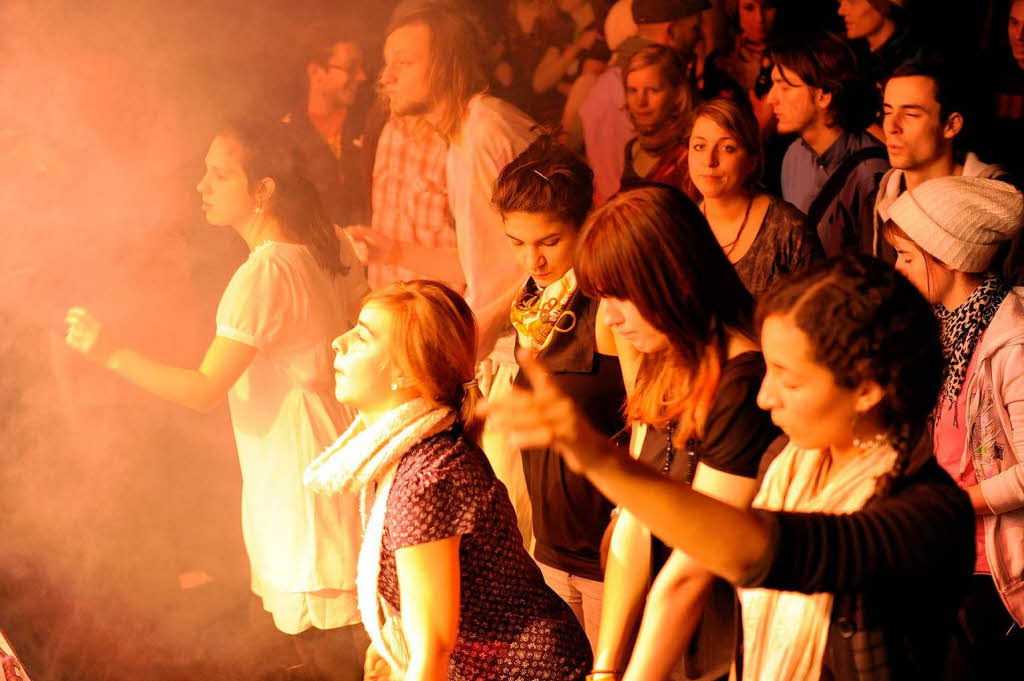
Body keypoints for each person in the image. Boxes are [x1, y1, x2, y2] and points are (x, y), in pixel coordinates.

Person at [484, 254, 977, 680]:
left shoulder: (930, 514)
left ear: (867, 389)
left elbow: (765, 552)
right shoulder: (784, 462)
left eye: (788, 379)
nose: (765, 397)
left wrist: (595, 455)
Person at [64, 121, 371, 680]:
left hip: (305, 488)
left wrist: (111, 354)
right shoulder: (329, 242)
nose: (202, 186)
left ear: (263, 189)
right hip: (339, 466)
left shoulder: (266, 272)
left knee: (333, 660)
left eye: (219, 173)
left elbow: (204, 389)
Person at [529, 184, 780, 681]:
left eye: (620, 296)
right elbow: (635, 520)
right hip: (671, 639)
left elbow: (695, 568)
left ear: (672, 278)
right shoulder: (663, 359)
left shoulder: (743, 381)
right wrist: (605, 665)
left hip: (729, 645)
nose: (610, 319)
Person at [304, 280, 592, 681]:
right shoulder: (410, 450)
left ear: (405, 373)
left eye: (363, 336)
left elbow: (434, 649)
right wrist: (393, 639)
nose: (339, 341)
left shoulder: (427, 478)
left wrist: (410, 653)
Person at [344, 0, 538, 545]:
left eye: (404, 62)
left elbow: (513, 276)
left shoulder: (481, 131)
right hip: (502, 350)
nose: (386, 77)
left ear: (446, 63)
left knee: (510, 530)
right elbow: (480, 262)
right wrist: (396, 249)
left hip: (519, 356)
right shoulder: (462, 135)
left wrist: (446, 363)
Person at [883, 176, 1024, 679]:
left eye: (905, 256)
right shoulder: (941, 323)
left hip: (990, 569)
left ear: (947, 254)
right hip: (941, 550)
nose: (896, 270)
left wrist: (949, 506)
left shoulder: (1012, 342)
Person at [491, 137, 627, 650]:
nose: (534, 260)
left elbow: (649, 417)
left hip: (604, 546)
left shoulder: (611, 306)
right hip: (548, 545)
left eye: (548, 241)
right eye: (517, 242)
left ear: (584, 224)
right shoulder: (533, 304)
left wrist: (626, 517)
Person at [872, 59, 1012, 259]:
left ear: (951, 125)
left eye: (911, 114)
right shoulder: (879, 199)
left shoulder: (999, 206)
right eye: (887, 112)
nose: (891, 126)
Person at [767, 32, 889, 257]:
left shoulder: (869, 173)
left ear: (824, 95)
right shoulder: (794, 156)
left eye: (785, 87)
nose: (771, 98)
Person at [688, 97, 822, 296]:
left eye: (727, 148)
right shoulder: (681, 225)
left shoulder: (789, 230)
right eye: (700, 146)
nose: (709, 160)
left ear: (752, 160)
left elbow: (819, 316)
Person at [580, 0, 708, 204]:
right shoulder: (638, 145)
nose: (699, 37)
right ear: (671, 32)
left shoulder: (602, 86)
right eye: (695, 28)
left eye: (652, 91)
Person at [283, 28, 372, 228]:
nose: (362, 76)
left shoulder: (371, 126)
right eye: (351, 68)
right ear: (316, 73)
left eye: (361, 67)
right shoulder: (284, 136)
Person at [620, 45, 699, 200]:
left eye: (652, 90)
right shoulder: (633, 148)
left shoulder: (691, 153)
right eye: (633, 90)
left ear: (677, 94)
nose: (640, 102)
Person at [836, 0, 921, 86]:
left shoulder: (915, 64)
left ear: (882, 6)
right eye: (840, 3)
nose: (841, 11)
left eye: (852, 2)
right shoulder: (847, 59)